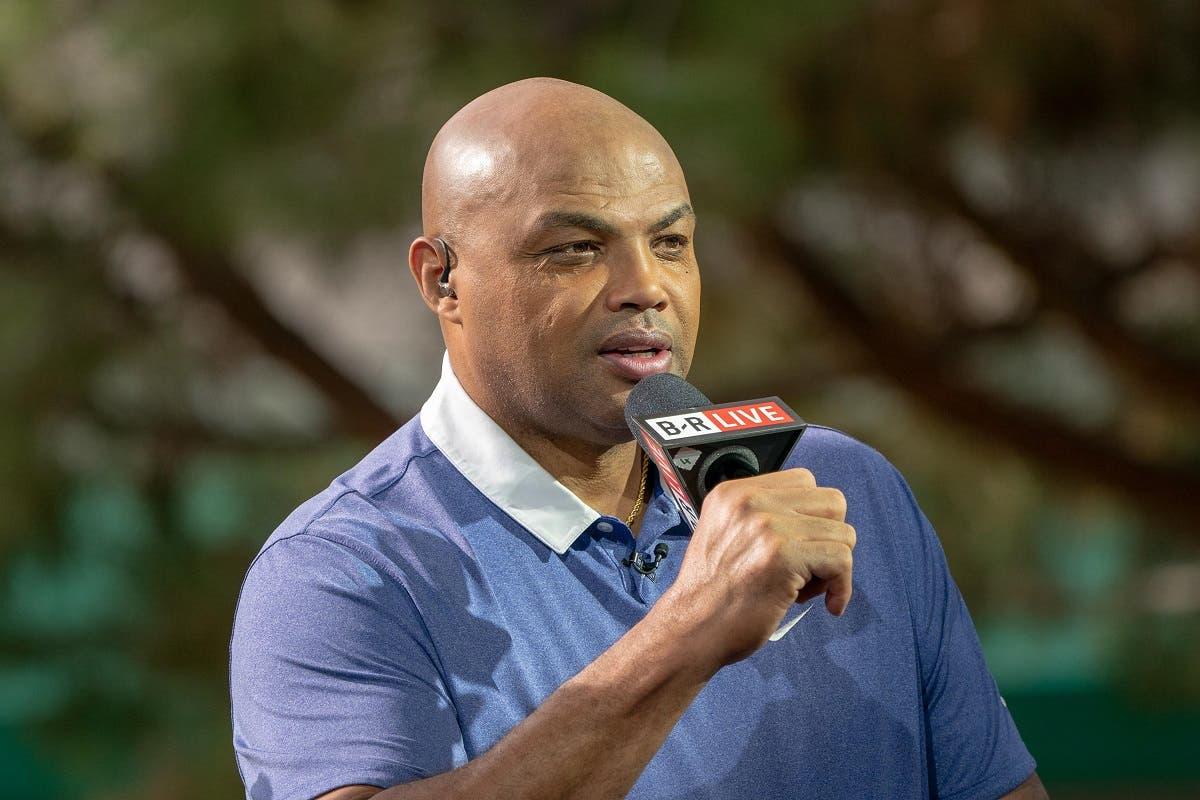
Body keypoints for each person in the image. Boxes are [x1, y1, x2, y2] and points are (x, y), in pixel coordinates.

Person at [229, 77, 1047, 800]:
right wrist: (689, 633)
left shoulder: (840, 485)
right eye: (577, 248)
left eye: (670, 243)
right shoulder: (339, 574)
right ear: (443, 280)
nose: (645, 287)